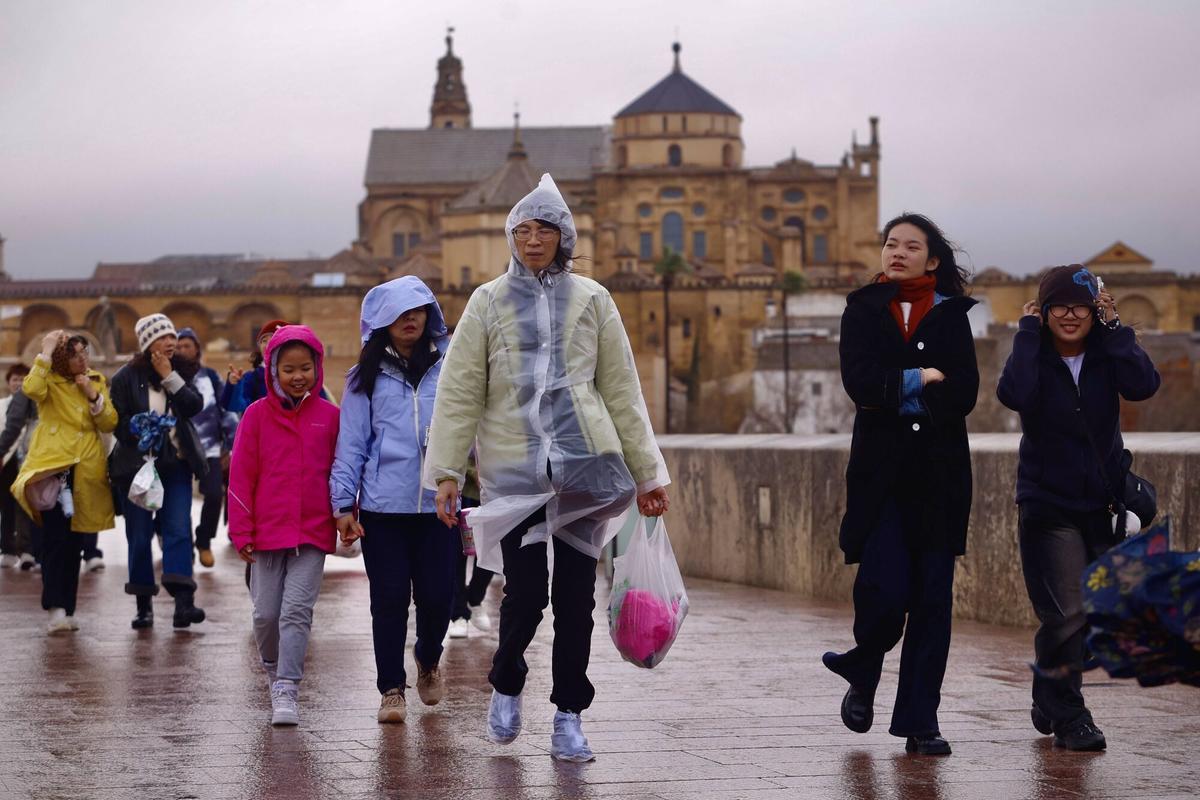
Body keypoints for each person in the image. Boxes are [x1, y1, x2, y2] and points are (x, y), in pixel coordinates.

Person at [424, 174, 671, 762]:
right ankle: (506, 681)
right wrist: (447, 472)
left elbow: (621, 389)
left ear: (565, 237)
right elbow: (460, 391)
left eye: (544, 231)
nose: (533, 241)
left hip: (585, 468)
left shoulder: (593, 299)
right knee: (526, 593)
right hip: (515, 472)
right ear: (510, 237)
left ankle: (569, 714)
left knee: (576, 601)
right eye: (523, 231)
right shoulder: (487, 302)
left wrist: (647, 473)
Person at [821, 213, 978, 757]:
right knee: (883, 592)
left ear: (932, 259)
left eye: (912, 246)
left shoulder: (952, 314)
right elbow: (859, 384)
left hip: (940, 479)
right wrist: (922, 379)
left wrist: (897, 394)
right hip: (881, 478)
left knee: (932, 605)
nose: (898, 252)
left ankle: (921, 722)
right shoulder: (862, 310)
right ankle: (865, 667)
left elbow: (964, 394)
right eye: (891, 243)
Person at [997, 264, 1160, 751]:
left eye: (1081, 307)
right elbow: (1014, 393)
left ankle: (1049, 693)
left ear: (1094, 311)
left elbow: (1143, 385)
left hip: (1102, 502)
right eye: (1059, 307)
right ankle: (1071, 717)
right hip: (1047, 502)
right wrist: (1027, 333)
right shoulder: (1034, 354)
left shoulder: (1107, 352)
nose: (1070, 316)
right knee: (1067, 611)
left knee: (1093, 614)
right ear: (1045, 312)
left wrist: (1116, 329)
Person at [331, 276, 457, 724]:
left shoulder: (451, 368)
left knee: (439, 598)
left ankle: (428, 656)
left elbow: (471, 428)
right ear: (383, 320)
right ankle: (391, 688)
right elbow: (351, 444)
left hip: (439, 506)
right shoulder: (363, 378)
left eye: (417, 311)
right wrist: (342, 505)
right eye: (401, 313)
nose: (410, 320)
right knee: (388, 600)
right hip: (383, 508)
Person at [229, 325, 340, 727]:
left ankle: (288, 687)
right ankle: (273, 668)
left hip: (312, 533)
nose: (297, 376)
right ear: (273, 370)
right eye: (288, 369)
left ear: (317, 367)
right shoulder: (256, 415)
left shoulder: (330, 417)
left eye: (305, 368)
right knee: (266, 614)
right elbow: (241, 476)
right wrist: (241, 531)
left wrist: (347, 514)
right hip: (266, 533)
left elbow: (342, 472)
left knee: (296, 612)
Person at [10, 332, 118, 634]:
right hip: (55, 470)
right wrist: (45, 352)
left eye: (85, 352)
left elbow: (109, 422)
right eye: (75, 355)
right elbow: (31, 388)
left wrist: (93, 396)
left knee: (75, 542)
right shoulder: (48, 380)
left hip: (85, 469)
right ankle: (55, 608)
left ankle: (68, 608)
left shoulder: (95, 380)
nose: (82, 359)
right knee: (56, 540)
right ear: (61, 359)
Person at [109, 314, 209, 630]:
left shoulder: (182, 370)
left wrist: (169, 376)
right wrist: (142, 427)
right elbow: (117, 423)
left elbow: (193, 405)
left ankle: (184, 603)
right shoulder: (125, 377)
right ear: (147, 343)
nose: (170, 342)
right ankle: (143, 605)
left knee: (178, 530)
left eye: (172, 336)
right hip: (138, 468)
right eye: (162, 337)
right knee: (139, 536)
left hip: (176, 465)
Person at [175, 327, 232, 567]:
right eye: (178, 346)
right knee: (180, 500)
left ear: (197, 348)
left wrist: (229, 445)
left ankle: (204, 540)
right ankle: (183, 545)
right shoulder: (169, 376)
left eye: (187, 345)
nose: (182, 350)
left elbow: (225, 408)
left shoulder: (210, 376)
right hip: (178, 449)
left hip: (209, 447)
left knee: (214, 494)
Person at [447, 457, 493, 640]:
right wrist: (474, 472)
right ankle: (458, 614)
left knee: (490, 551)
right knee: (457, 551)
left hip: (494, 491)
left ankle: (475, 599)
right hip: (463, 490)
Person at [1, 364, 38, 569]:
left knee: (27, 505)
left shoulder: (34, 400)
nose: (19, 383)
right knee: (7, 505)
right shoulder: (2, 405)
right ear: (8, 382)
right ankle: (7, 548)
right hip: (7, 461)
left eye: (23, 379)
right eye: (15, 379)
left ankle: (27, 549)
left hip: (28, 459)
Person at [223, 319, 288, 414]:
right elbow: (234, 406)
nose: (267, 344)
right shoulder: (252, 377)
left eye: (273, 339)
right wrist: (234, 385)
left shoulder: (298, 375)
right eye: (264, 341)